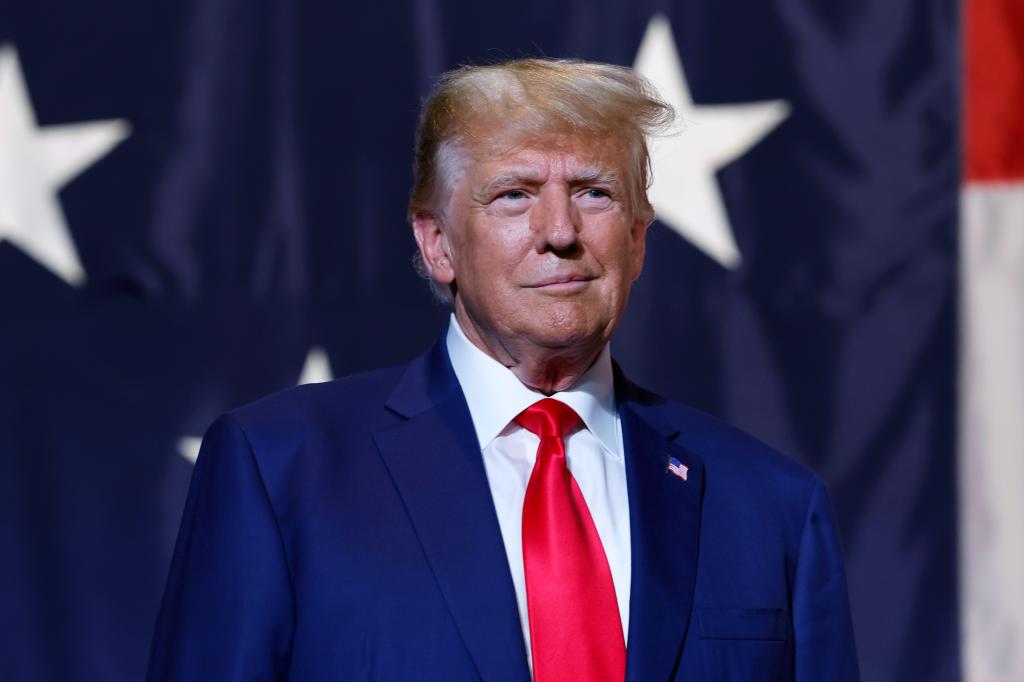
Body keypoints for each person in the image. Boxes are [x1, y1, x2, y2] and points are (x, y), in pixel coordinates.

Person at [147, 58, 860, 681]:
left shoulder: (771, 506)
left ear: (639, 240)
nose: (559, 232)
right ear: (437, 246)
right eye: (514, 194)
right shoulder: (280, 471)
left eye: (594, 192)